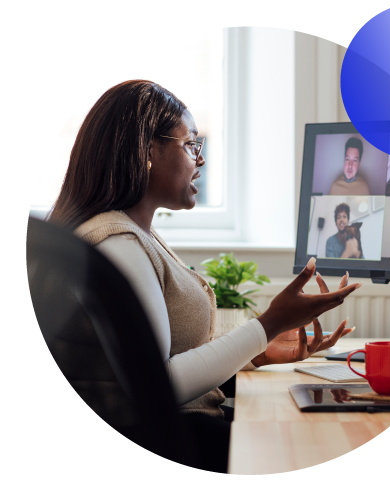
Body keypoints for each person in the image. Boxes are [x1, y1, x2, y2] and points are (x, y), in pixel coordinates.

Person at [47, 80, 362, 473]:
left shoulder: (134, 233)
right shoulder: (118, 244)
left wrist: (257, 352)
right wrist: (268, 325)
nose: (201, 159)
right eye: (191, 145)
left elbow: (160, 358)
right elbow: (158, 385)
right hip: (172, 439)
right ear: (147, 149)